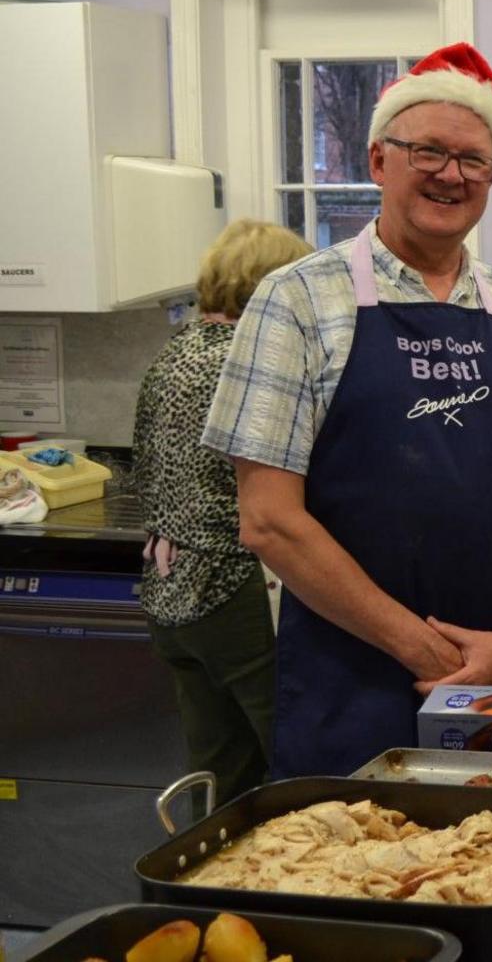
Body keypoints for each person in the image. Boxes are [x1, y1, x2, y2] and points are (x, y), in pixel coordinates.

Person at [203, 43, 492, 777]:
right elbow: (268, 520)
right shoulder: (295, 301)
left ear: (491, 178)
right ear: (378, 159)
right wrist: (427, 652)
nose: (451, 174)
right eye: (428, 150)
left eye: (474, 160)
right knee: (354, 877)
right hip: (353, 683)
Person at [133, 219, 312, 800]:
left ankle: (209, 890)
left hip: (170, 590)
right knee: (293, 765)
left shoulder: (174, 352)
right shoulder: (249, 364)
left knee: (217, 777)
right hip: (237, 589)